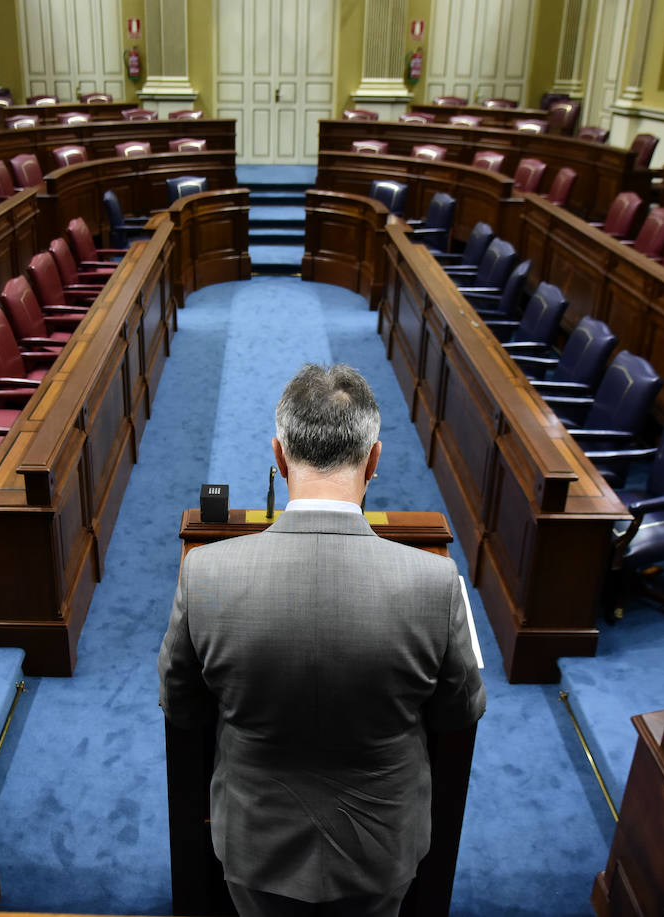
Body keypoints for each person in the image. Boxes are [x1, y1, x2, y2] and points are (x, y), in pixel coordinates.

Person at [158, 363, 486, 917]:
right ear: (374, 460)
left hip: (256, 845)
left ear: (279, 456)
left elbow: (181, 705)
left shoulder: (207, 573)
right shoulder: (435, 583)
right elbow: (458, 713)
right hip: (379, 852)